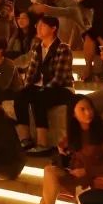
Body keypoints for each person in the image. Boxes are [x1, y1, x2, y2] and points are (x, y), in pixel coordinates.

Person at [9, 96, 103, 204]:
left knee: (49, 190)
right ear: (73, 114)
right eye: (82, 109)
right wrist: (62, 148)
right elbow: (66, 147)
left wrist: (86, 171)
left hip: (93, 179)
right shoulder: (75, 132)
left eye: (89, 108)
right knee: (49, 171)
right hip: (76, 175)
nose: (88, 112)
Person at [15, 15, 74, 155]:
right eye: (38, 25)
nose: (38, 28)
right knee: (20, 96)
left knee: (40, 98)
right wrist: (27, 87)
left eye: (42, 26)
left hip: (61, 88)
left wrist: (41, 89)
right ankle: (25, 139)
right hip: (41, 86)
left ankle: (43, 143)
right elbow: (31, 73)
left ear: (53, 28)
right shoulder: (38, 47)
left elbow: (59, 78)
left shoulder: (63, 48)